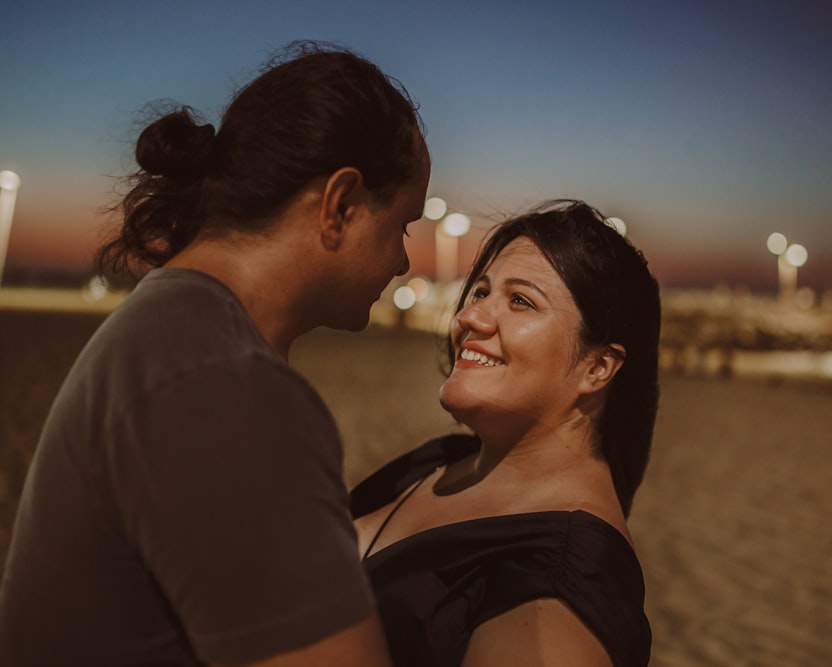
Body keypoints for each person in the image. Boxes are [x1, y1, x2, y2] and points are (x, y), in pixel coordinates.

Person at [0, 41, 429, 666]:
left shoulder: (174, 328)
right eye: (403, 226)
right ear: (340, 205)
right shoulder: (222, 385)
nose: (403, 261)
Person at [351, 200, 661, 667]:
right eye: (480, 292)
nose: (470, 319)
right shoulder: (439, 460)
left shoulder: (560, 587)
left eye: (521, 301)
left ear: (597, 367)